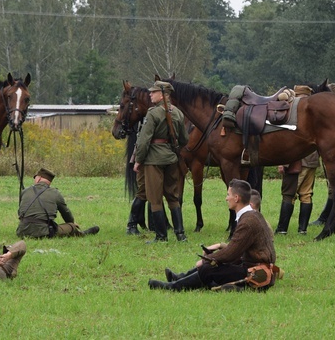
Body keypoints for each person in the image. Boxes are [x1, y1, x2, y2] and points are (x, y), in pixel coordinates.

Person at [148, 179, 278, 292]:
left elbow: (231, 253)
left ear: (236, 198)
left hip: (255, 273)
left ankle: (174, 286)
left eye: (228, 195)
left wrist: (208, 259)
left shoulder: (248, 221)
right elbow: (236, 250)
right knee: (211, 265)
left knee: (208, 269)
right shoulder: (253, 216)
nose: (226, 198)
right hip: (255, 268)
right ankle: (180, 278)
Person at [133, 81, 189, 242]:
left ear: (164, 95)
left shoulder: (153, 113)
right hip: (171, 158)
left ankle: (161, 236)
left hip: (153, 161)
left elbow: (144, 141)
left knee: (155, 198)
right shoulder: (177, 112)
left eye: (154, 92)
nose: (150, 94)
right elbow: (184, 139)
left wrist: (138, 160)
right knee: (173, 196)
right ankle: (180, 234)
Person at [16, 168, 99, 238]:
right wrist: (71, 223)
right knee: (71, 228)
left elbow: (20, 212)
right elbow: (65, 213)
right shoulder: (55, 193)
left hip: (22, 231)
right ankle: (82, 234)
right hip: (43, 232)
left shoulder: (25, 191)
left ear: (38, 179)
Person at [275, 151, 319, 235]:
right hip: (312, 160)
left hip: (296, 161)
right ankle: (302, 230)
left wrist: (283, 163)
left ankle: (282, 229)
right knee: (306, 194)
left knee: (289, 194)